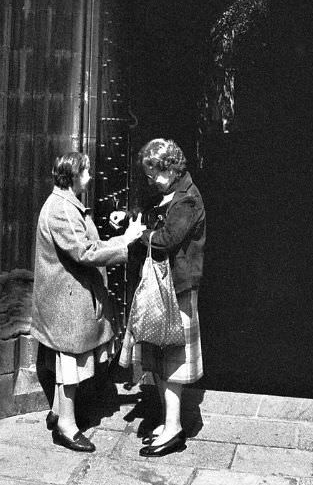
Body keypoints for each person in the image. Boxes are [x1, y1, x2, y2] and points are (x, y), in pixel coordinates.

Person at [30, 152, 145, 452]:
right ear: (73, 175)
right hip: (66, 302)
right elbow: (85, 252)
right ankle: (67, 427)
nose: (91, 176)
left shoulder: (67, 205)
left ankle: (58, 413)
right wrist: (126, 242)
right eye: (87, 171)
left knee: (68, 360)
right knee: (70, 362)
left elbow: (86, 243)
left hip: (68, 298)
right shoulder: (61, 209)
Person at [118, 138, 206, 458]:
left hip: (178, 288)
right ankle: (169, 422)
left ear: (169, 167)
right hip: (163, 287)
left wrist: (139, 235)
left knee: (173, 359)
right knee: (159, 354)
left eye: (153, 172)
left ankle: (174, 429)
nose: (150, 179)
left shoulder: (187, 199)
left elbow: (168, 239)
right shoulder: (171, 194)